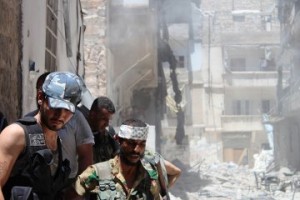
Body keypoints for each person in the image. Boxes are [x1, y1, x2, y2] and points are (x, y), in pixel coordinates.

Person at [0, 72, 82, 200]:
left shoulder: (56, 140)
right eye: (55, 106)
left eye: (67, 109)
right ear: (40, 97)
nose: (60, 115)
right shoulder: (17, 134)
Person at [26, 72, 95, 199]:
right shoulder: (24, 127)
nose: (60, 114)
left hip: (67, 183)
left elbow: (86, 155)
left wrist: (77, 190)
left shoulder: (75, 118)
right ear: (40, 94)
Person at [75, 119, 180, 199]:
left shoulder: (149, 177)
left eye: (141, 144)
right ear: (119, 141)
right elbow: (72, 195)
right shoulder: (98, 172)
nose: (136, 149)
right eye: (131, 143)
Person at [85, 96, 119, 163]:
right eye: (103, 119)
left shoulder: (109, 132)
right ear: (92, 115)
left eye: (108, 120)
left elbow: (118, 157)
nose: (106, 124)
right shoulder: (80, 132)